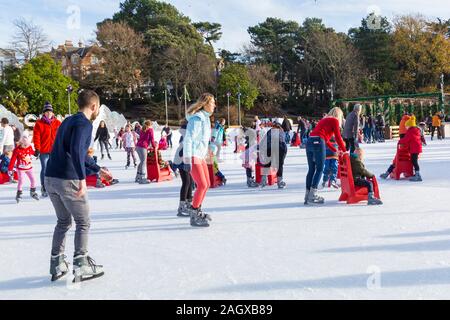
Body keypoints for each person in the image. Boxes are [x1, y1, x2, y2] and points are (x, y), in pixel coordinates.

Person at [45, 89, 104, 283]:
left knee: (63, 222)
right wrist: (82, 179)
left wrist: (96, 168)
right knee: (83, 221)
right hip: (67, 179)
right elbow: (78, 152)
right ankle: (81, 264)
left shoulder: (68, 120)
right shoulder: (84, 124)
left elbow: (73, 151)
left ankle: (57, 263)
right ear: (94, 106)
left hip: (50, 177)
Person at [183, 93, 216, 227]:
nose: (214, 105)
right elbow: (189, 139)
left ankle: (198, 210)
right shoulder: (197, 118)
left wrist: (208, 151)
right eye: (212, 102)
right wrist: (187, 160)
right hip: (193, 156)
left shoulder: (205, 118)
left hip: (200, 155)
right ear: (205, 103)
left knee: (207, 184)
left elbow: (202, 139)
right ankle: (194, 214)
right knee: (202, 185)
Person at [305, 107, 346, 205]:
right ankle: (312, 195)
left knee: (311, 169)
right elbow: (338, 137)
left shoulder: (324, 120)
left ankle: (307, 195)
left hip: (310, 141)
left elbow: (326, 140)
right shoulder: (334, 121)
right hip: (318, 142)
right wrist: (344, 150)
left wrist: (335, 150)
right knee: (319, 169)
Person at [380, 116, 423, 182]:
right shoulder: (416, 130)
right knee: (413, 161)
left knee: (414, 161)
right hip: (416, 148)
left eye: (407, 126)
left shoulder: (410, 131)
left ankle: (418, 175)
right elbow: (416, 138)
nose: (406, 128)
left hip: (414, 149)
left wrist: (400, 142)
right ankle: (416, 174)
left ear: (410, 126)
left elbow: (406, 139)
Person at [33, 102, 62, 197]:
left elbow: (61, 136)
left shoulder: (58, 123)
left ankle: (54, 187)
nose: (49, 113)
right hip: (44, 151)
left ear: (53, 113)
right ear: (44, 113)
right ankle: (44, 187)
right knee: (45, 169)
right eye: (47, 112)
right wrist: (37, 148)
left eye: (50, 112)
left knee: (55, 169)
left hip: (55, 151)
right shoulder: (39, 123)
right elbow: (36, 137)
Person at [8, 132, 39, 203]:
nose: (25, 146)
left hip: (29, 167)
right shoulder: (17, 150)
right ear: (21, 143)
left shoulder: (29, 147)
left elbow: (32, 152)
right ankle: (19, 194)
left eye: (27, 144)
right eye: (24, 145)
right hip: (21, 169)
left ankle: (33, 192)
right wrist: (10, 169)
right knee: (21, 181)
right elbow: (13, 160)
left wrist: (36, 153)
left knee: (33, 180)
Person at [173, 120, 194, 217]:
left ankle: (188, 202)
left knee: (190, 182)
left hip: (185, 161)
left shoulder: (186, 135)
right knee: (186, 182)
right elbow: (181, 151)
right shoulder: (186, 135)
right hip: (182, 162)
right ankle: (181, 207)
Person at [258, 121, 287, 189]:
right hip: (280, 148)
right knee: (279, 165)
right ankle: (280, 182)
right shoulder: (281, 131)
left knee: (267, 164)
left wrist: (259, 148)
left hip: (270, 148)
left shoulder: (270, 131)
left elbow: (262, 142)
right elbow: (283, 144)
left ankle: (263, 181)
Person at [135, 120, 156, 184]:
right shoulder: (150, 130)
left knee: (142, 161)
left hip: (138, 146)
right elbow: (152, 139)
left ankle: (138, 176)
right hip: (143, 146)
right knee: (144, 162)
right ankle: (142, 178)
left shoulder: (142, 129)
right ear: (150, 125)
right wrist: (154, 147)